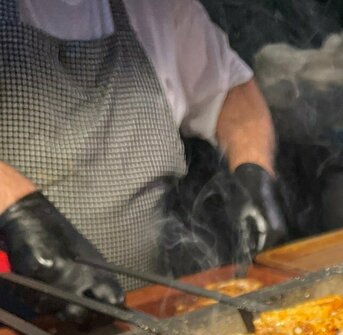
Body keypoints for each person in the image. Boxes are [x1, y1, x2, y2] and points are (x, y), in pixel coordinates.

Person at [0, 0, 287, 315]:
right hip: (16, 326)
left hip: (147, 313)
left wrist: (253, 171)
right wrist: (17, 210)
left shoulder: (157, 7)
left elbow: (230, 93)